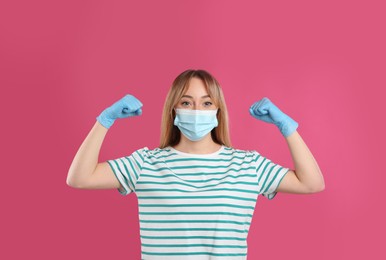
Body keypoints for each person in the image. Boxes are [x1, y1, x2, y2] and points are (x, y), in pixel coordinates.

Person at [67, 69, 325, 259]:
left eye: (207, 103)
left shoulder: (248, 165)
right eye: (187, 102)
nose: (197, 110)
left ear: (217, 111)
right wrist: (105, 120)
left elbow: (312, 183)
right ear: (174, 109)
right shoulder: (145, 163)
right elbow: (80, 178)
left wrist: (287, 128)